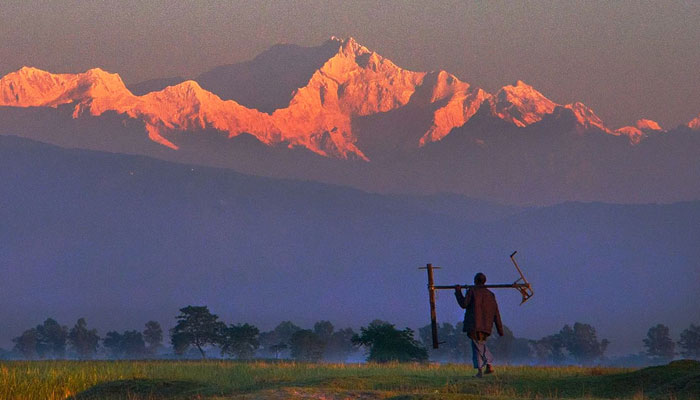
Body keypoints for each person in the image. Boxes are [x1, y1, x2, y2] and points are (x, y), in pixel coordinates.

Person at [455, 272, 504, 377]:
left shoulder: (472, 292)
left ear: (475, 281)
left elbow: (464, 304)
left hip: (474, 325)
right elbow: (496, 313)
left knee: (478, 345)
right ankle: (480, 371)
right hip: (486, 326)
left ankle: (489, 364)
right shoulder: (491, 295)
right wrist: (500, 330)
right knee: (478, 346)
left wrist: (458, 292)